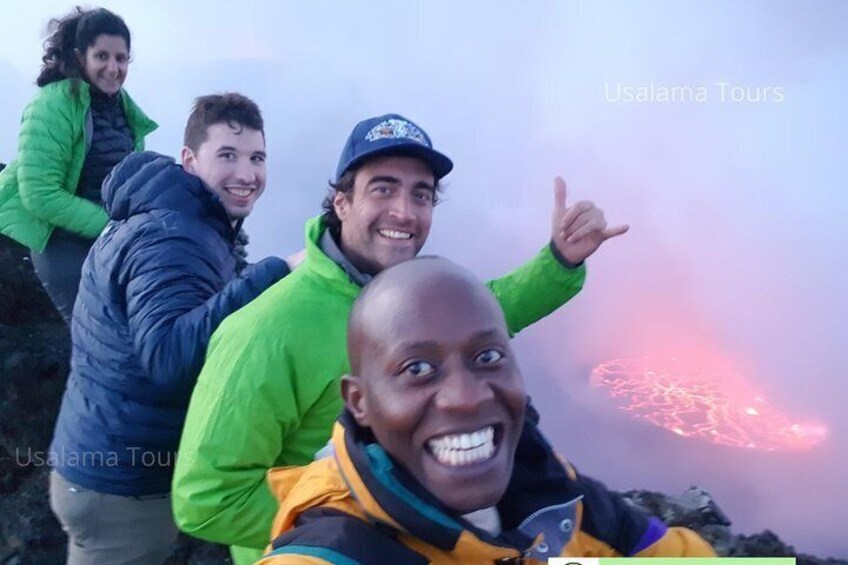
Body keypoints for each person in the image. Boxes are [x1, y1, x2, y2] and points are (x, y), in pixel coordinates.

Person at [173, 113, 629, 564]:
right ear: (341, 201)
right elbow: (209, 499)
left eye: (421, 194)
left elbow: (493, 311)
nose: (404, 212)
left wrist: (559, 261)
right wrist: (364, 516)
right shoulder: (265, 331)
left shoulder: (411, 296)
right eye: (383, 188)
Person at [257, 257, 716, 563]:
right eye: (417, 368)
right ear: (359, 402)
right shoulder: (335, 550)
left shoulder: (551, 491)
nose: (467, 397)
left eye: (488, 357)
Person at [48, 93, 291, 565]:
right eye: (227, 155)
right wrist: (277, 273)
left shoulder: (176, 219)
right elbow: (169, 358)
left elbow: (188, 300)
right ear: (189, 159)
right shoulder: (172, 237)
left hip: (96, 461)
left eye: (256, 158)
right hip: (123, 489)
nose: (246, 174)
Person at [0, 7, 156, 325]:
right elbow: (40, 194)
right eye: (102, 56)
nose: (113, 68)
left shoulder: (123, 109)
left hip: (109, 238)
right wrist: (110, 226)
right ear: (79, 56)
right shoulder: (52, 104)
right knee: (96, 338)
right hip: (61, 242)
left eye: (121, 58)